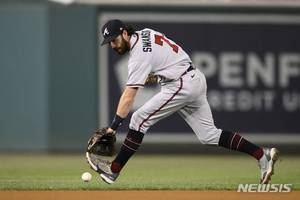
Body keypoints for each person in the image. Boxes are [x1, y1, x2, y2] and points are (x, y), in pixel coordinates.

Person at [90, 19, 279, 184]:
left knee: (139, 119)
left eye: (114, 40)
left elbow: (128, 97)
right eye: (109, 43)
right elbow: (164, 54)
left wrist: (113, 127)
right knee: (209, 136)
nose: (113, 45)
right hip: (194, 76)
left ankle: (113, 170)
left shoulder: (138, 57)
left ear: (124, 33)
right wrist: (156, 73)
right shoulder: (146, 33)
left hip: (181, 83)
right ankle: (261, 155)